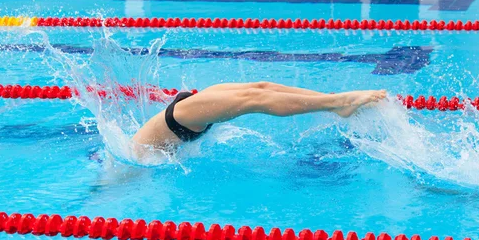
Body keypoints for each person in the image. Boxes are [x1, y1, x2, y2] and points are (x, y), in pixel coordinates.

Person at [132, 81, 387, 150]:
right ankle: (337, 102)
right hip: (178, 119)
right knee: (260, 91)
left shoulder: (124, 164)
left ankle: (339, 103)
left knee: (258, 95)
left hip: (177, 121)